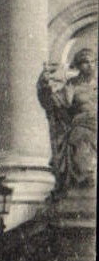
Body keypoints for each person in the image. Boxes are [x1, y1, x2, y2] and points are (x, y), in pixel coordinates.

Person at [37, 48, 98, 192]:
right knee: (79, 141)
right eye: (85, 62)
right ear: (78, 66)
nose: (90, 65)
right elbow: (55, 102)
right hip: (82, 127)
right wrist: (44, 86)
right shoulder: (73, 85)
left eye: (92, 62)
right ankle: (85, 179)